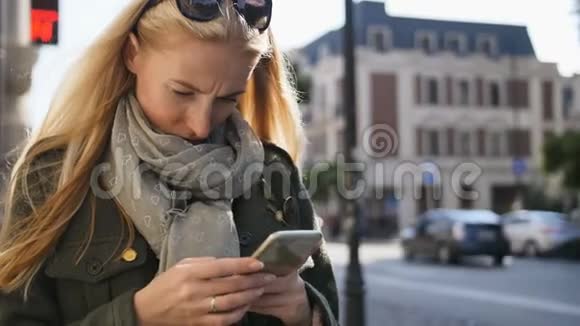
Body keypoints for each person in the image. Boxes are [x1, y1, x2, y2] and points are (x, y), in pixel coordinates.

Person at [0, 1, 339, 325]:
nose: (202, 124)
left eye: (227, 99)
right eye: (182, 92)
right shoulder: (54, 175)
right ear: (132, 54)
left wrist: (303, 312)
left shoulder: (274, 175)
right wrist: (138, 316)